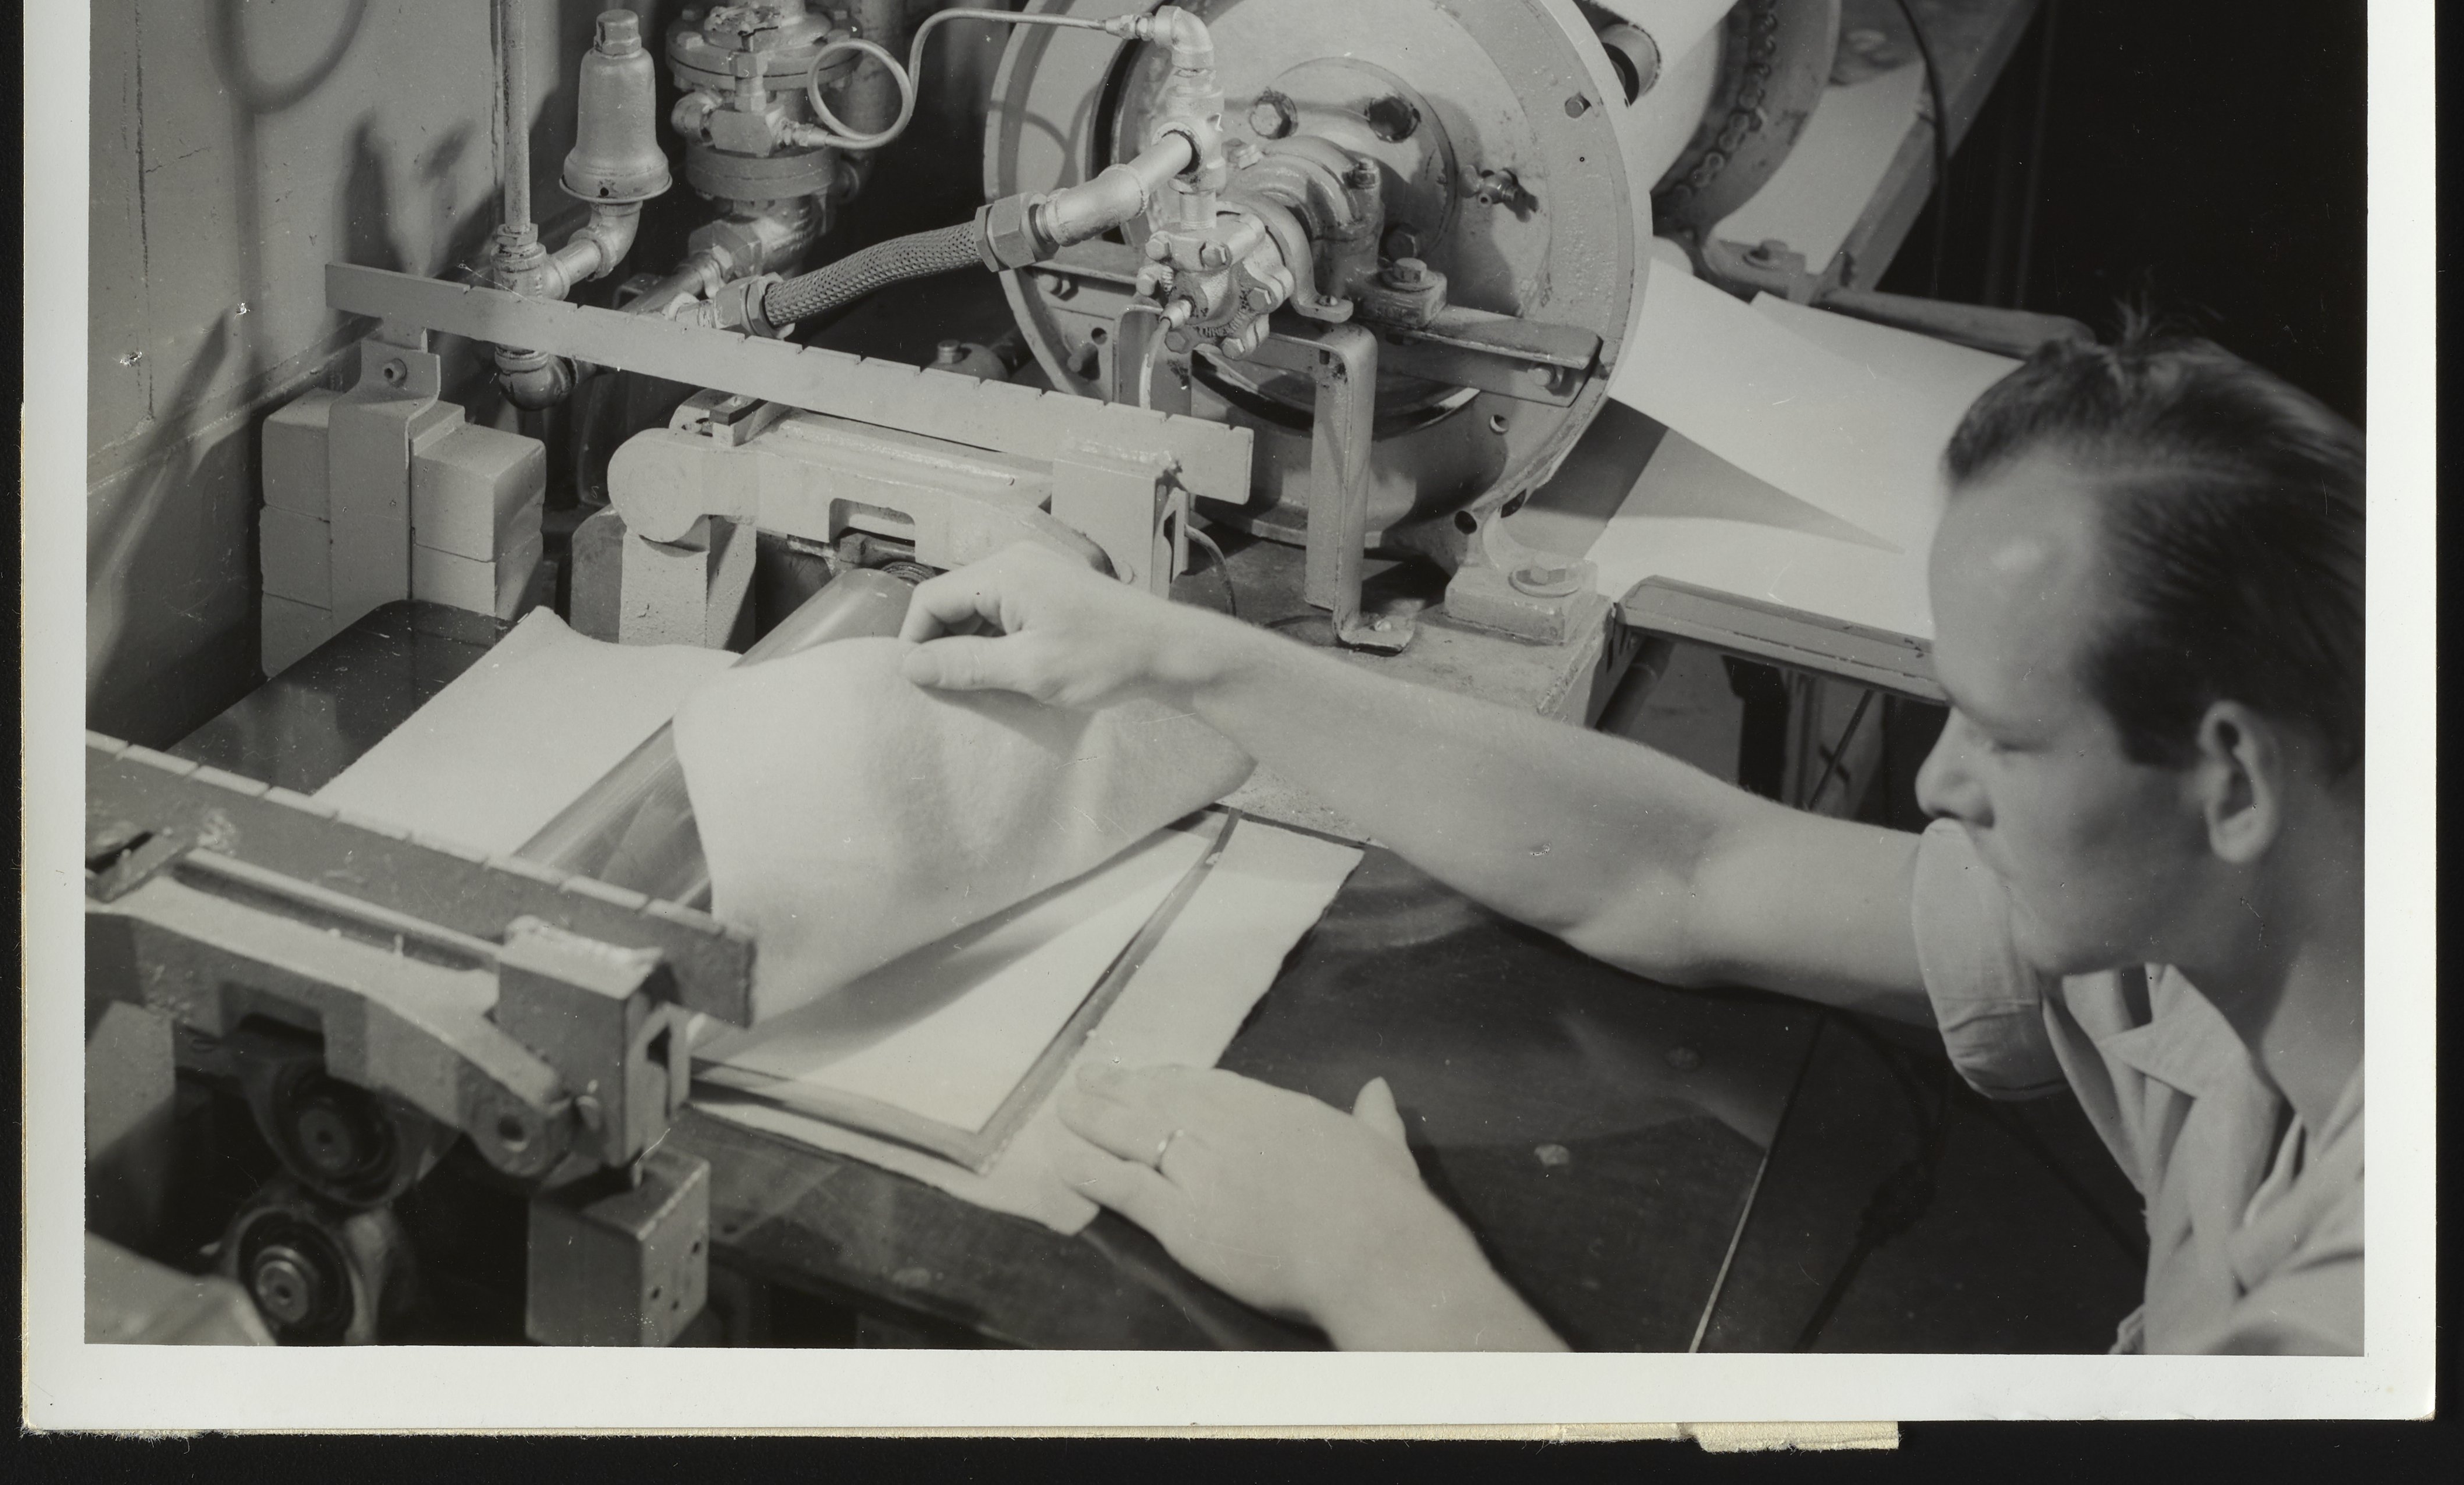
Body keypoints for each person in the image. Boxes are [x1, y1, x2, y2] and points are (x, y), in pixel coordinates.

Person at [896, 323, 2365, 1354]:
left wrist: (1371, 1262)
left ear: (2231, 775)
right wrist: (1174, 653)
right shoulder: (2223, 906)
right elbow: (1690, 870)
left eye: (2008, 735)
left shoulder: (2361, 1311)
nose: (1936, 783)